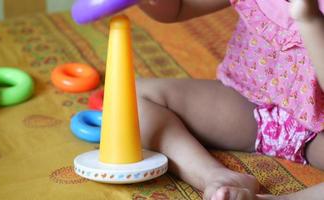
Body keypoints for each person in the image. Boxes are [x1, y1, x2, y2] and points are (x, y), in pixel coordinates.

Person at [135, 0, 324, 199]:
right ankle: (215, 176)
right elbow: (177, 8)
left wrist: (309, 19)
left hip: (318, 131)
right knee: (130, 99)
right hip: (252, 106)